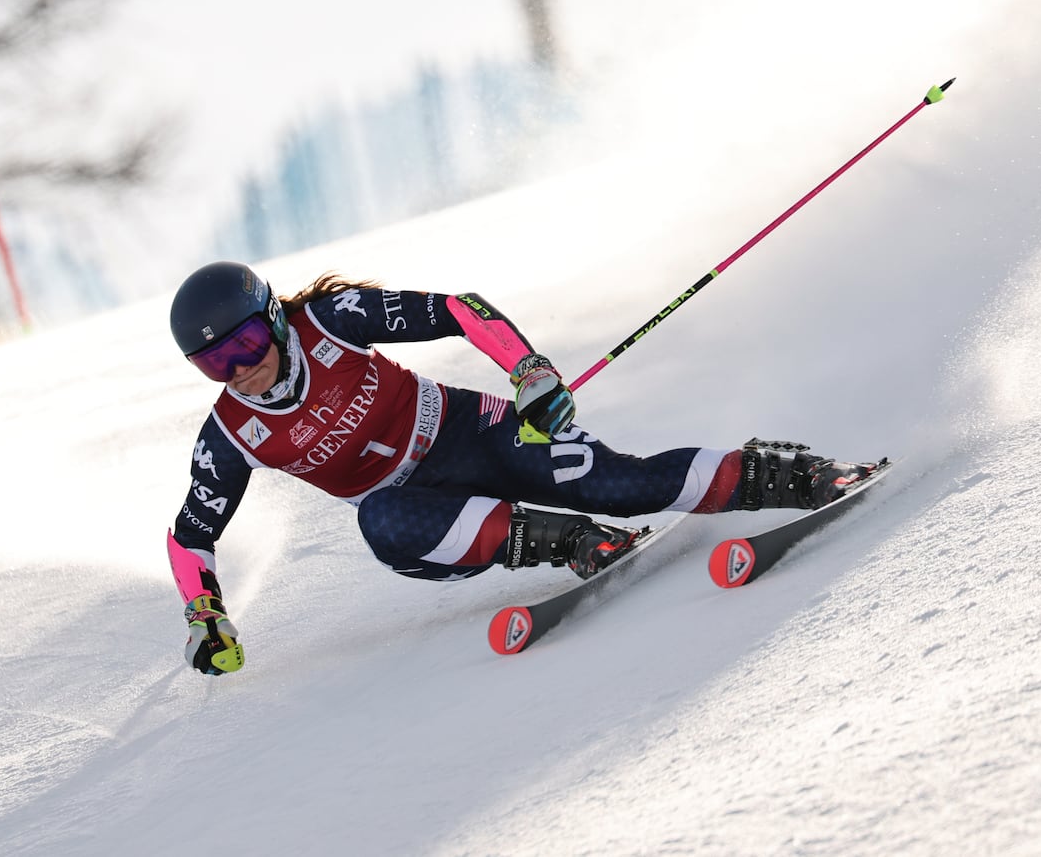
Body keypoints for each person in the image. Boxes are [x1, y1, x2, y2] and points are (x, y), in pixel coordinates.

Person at [166, 261, 879, 676]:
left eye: (248, 341)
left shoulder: (332, 318)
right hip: (428, 516)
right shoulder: (231, 432)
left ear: (275, 318)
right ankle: (570, 540)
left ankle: (799, 475)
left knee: (619, 484)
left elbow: (456, 308)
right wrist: (206, 615)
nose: (243, 368)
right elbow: (190, 535)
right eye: (215, 362)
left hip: (473, 431)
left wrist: (529, 370)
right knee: (381, 521)